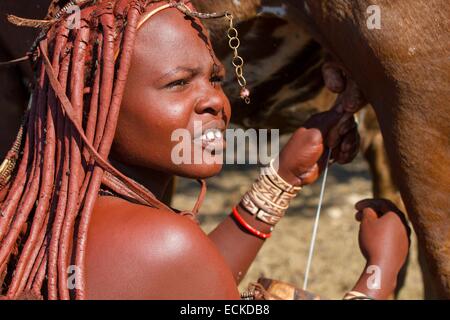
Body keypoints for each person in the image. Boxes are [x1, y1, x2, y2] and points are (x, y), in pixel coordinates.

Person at [0, 0, 409, 300]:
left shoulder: (40, 221)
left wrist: (283, 176)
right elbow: (188, 273)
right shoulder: (166, 243)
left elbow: (188, 285)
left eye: (214, 79)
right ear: (93, 100)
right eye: (178, 83)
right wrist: (378, 275)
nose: (216, 100)